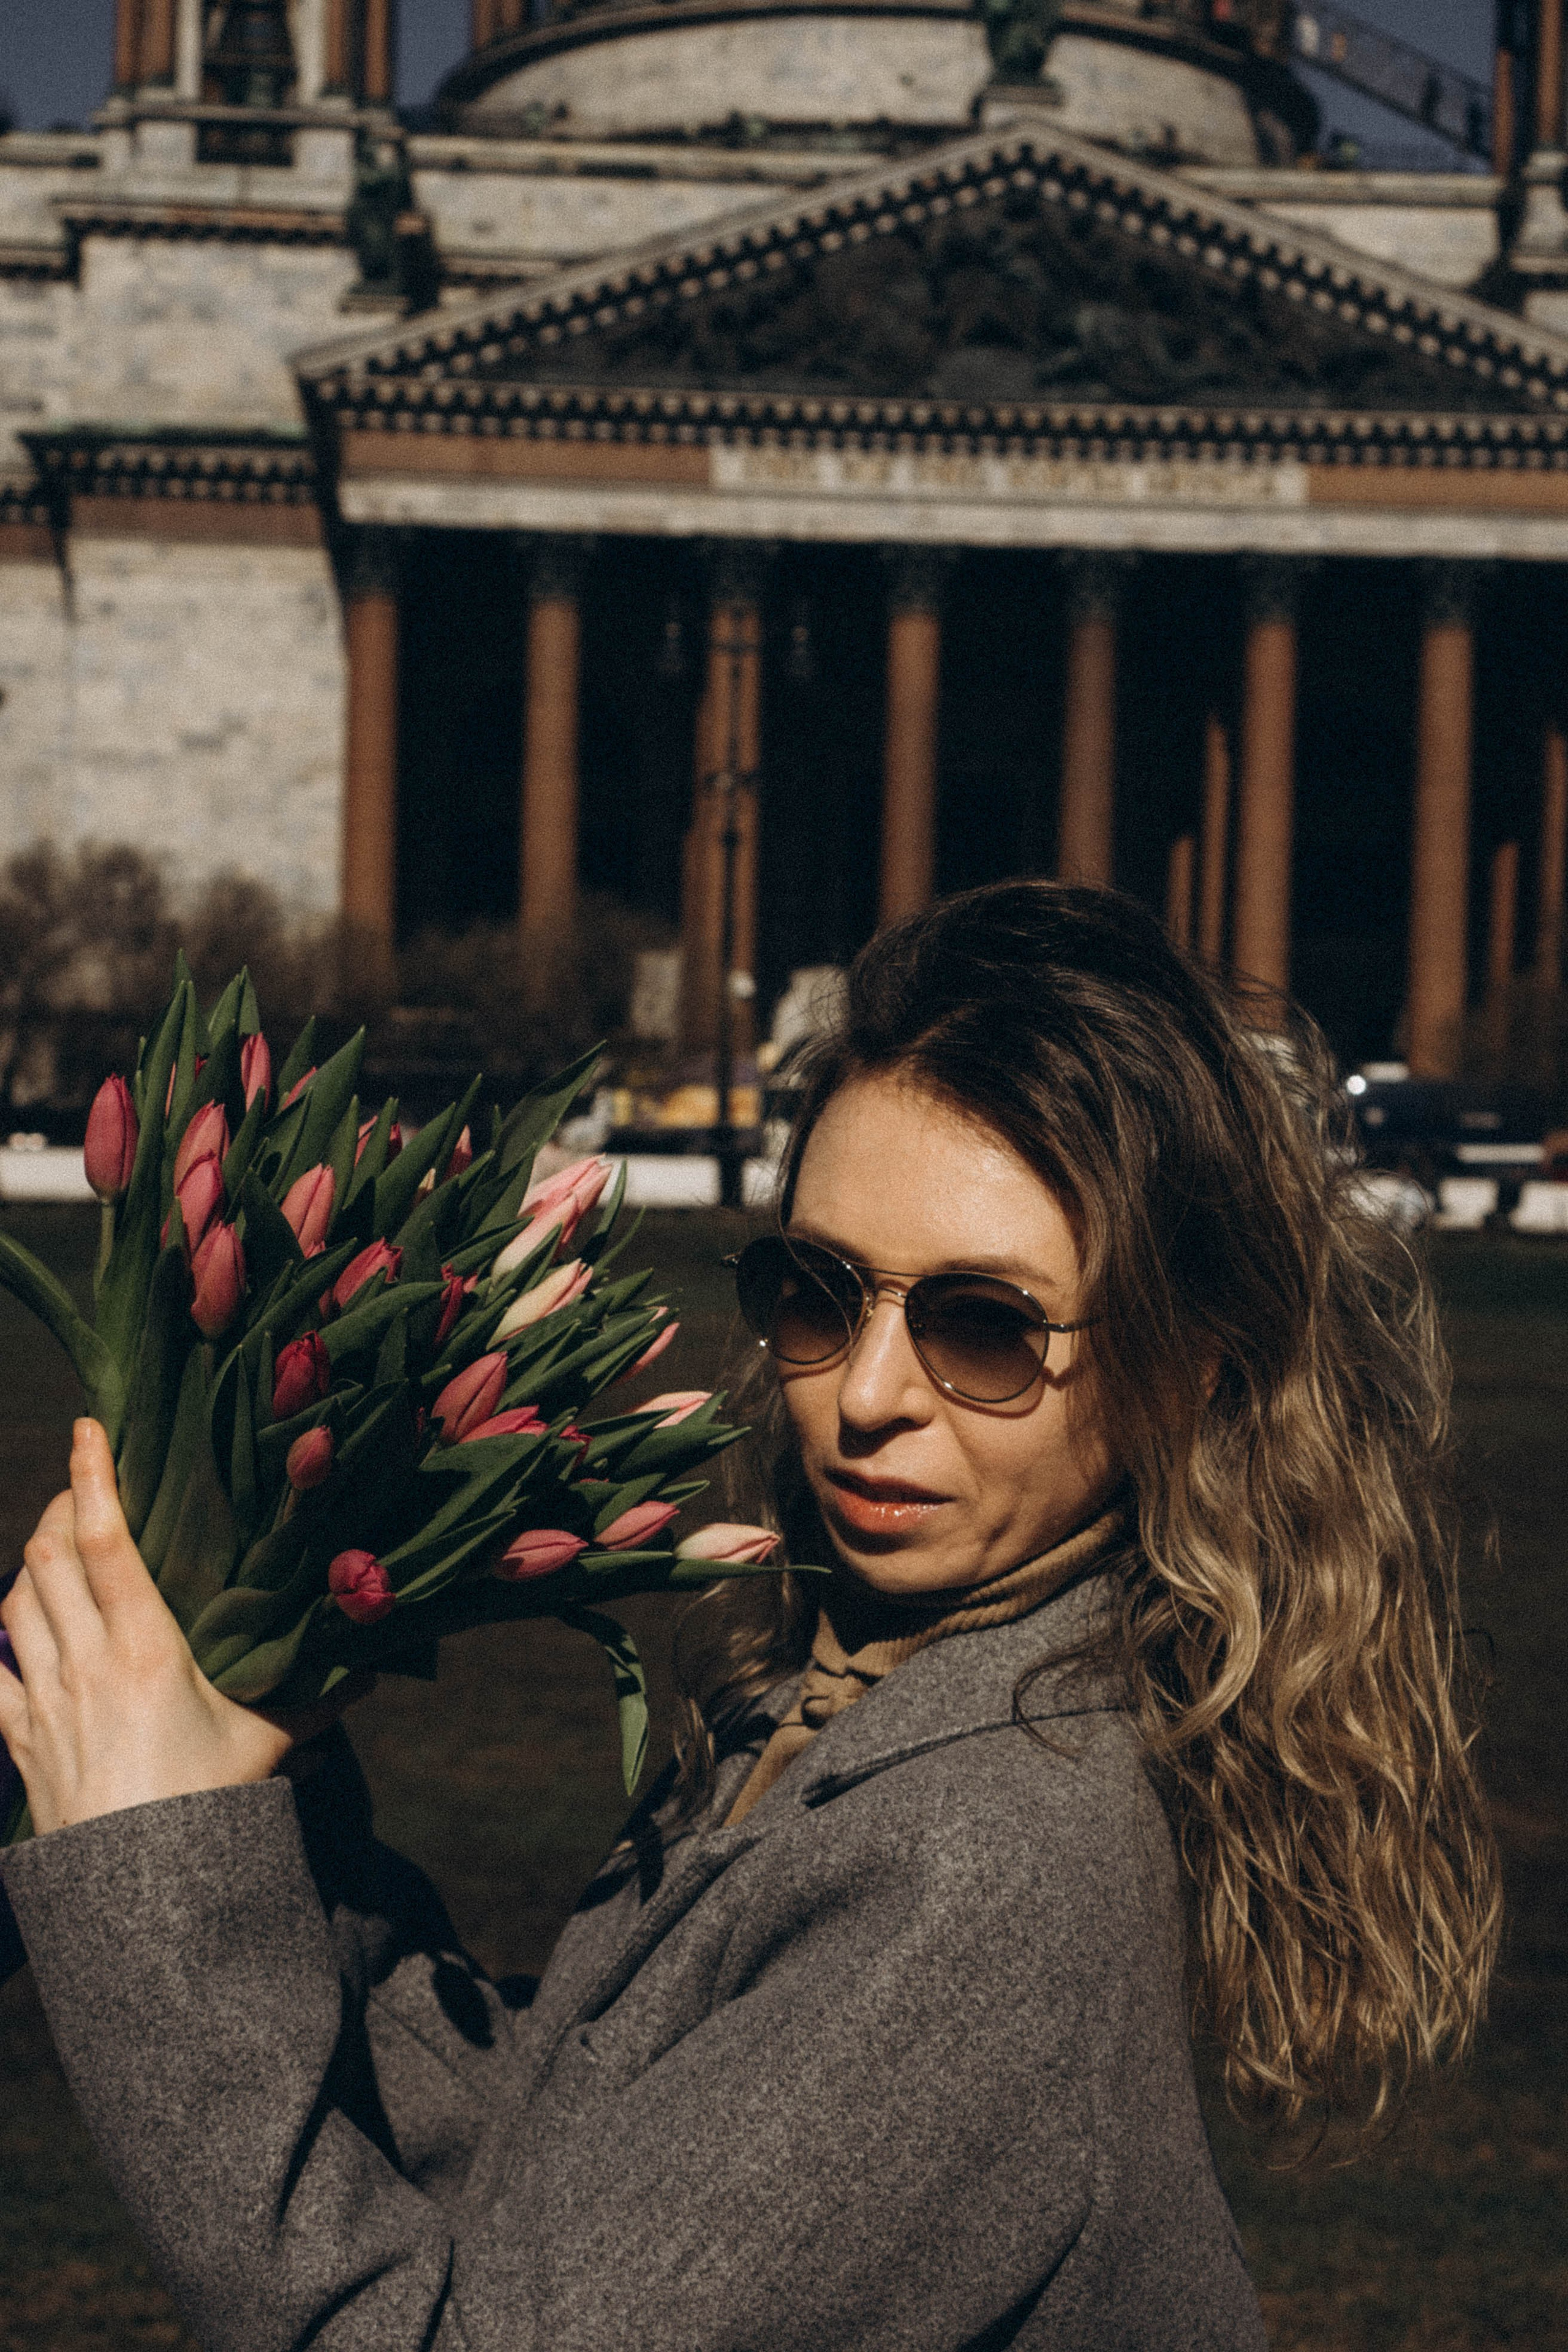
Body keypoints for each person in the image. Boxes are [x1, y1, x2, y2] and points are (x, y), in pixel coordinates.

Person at [0, 881, 1500, 2351]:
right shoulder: (859, 1690)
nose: (862, 1396)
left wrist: (151, 1858)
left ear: (1189, 1368)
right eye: (820, 1290)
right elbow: (551, 2178)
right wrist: (278, 1795)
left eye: (984, 1325)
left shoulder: (981, 1868)